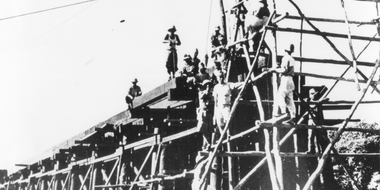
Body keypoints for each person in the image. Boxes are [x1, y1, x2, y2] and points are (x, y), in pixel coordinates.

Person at [269, 44, 296, 124]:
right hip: (291, 79)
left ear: (285, 50)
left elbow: (284, 70)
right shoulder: (292, 59)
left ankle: (284, 112)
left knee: (280, 96)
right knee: (290, 98)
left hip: (285, 79)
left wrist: (274, 70)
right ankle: (293, 116)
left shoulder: (285, 58)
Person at [212, 70, 244, 139]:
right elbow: (215, 101)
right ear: (217, 78)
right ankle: (222, 135)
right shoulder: (216, 87)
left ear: (223, 77)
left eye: (221, 77)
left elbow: (236, 85)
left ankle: (228, 134)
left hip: (226, 106)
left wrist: (245, 82)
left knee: (227, 121)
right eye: (219, 77)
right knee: (219, 122)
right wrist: (214, 114)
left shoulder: (228, 85)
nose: (220, 78)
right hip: (219, 107)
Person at [196, 79, 214, 150]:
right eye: (207, 85)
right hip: (203, 113)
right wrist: (207, 90)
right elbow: (202, 96)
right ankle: (208, 143)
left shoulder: (210, 93)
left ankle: (205, 145)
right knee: (204, 129)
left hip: (209, 113)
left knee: (208, 130)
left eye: (209, 85)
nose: (208, 86)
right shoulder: (201, 92)